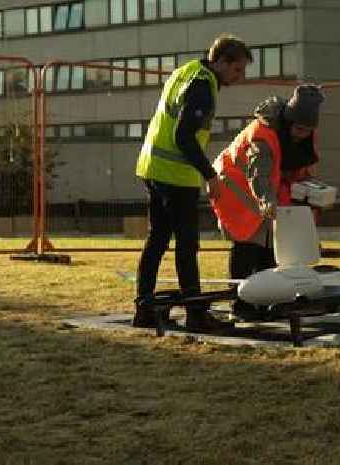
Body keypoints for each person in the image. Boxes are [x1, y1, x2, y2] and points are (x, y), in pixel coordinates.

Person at [133, 35, 252, 331]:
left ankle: (144, 308)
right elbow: (183, 137)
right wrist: (210, 175)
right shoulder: (202, 87)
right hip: (176, 175)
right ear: (222, 62)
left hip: (153, 167)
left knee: (158, 239)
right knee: (187, 244)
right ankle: (196, 314)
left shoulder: (186, 71)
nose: (240, 77)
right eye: (237, 70)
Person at [210, 84, 325, 320]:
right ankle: (240, 302)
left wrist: (313, 191)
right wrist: (266, 201)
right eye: (299, 129)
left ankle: (265, 301)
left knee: (270, 247)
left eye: (307, 130)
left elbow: (297, 170)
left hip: (264, 190)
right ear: (289, 121)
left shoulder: (300, 137)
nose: (302, 134)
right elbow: (258, 174)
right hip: (235, 187)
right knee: (247, 244)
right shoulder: (262, 136)